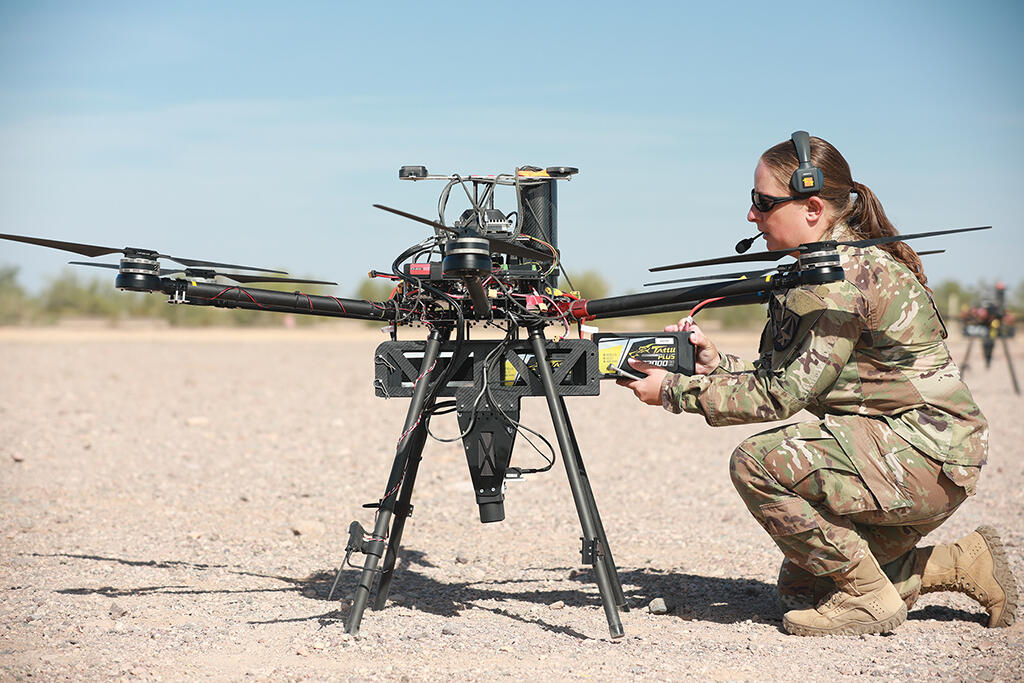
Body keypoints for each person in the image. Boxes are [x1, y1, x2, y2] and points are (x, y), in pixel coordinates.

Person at [618, 133, 1017, 636]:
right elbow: (790, 376)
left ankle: (869, 599)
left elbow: (783, 395)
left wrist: (673, 393)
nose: (751, 216)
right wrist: (715, 365)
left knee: (756, 461)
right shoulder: (827, 268)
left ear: (811, 207)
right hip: (914, 454)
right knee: (802, 589)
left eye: (762, 203)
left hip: (923, 455)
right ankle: (963, 562)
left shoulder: (839, 281)